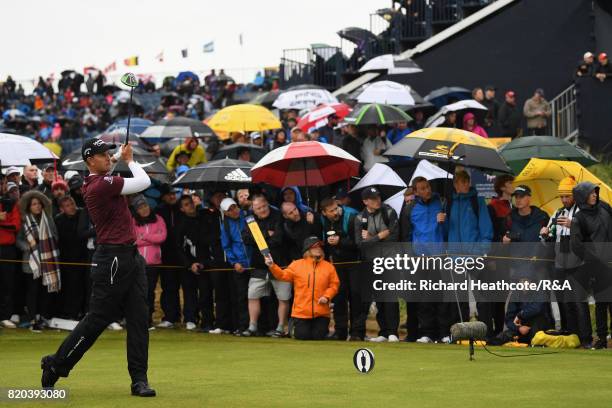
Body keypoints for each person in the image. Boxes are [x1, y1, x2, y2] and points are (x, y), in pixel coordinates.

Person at [41, 140, 156, 397]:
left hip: (131, 256)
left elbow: (110, 164)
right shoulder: (99, 184)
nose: (108, 157)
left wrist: (118, 157)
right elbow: (143, 182)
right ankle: (56, 363)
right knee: (98, 320)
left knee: (139, 320)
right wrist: (130, 160)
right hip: (112, 259)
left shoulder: (101, 178)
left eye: (109, 153)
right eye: (104, 154)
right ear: (90, 160)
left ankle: (139, 380)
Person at [540, 177, 592, 348]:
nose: (564, 200)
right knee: (563, 301)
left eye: (567, 196)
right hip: (560, 264)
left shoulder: (584, 213)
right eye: (561, 196)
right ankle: (569, 333)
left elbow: (591, 236)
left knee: (578, 301)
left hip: (579, 265)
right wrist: (545, 233)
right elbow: (547, 238)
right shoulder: (557, 213)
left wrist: (574, 226)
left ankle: (585, 339)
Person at [264, 236, 339, 340]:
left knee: (318, 337)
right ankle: (292, 328)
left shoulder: (329, 266)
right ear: (307, 250)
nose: (318, 249)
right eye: (315, 247)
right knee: (302, 336)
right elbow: (282, 275)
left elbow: (334, 285)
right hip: (301, 312)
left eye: (319, 247)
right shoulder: (296, 265)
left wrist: (327, 296)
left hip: (321, 313)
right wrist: (272, 266)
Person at [401, 177, 447, 343]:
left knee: (439, 296)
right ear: (415, 191)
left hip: (439, 256)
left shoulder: (441, 203)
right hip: (419, 257)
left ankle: (442, 333)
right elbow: (406, 235)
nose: (426, 190)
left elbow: (448, 230)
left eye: (427, 187)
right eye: (422, 188)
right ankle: (426, 333)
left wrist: (444, 220)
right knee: (424, 298)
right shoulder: (409, 209)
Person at [241, 194, 291, 337]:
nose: (262, 210)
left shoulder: (278, 216)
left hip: (280, 264)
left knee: (283, 297)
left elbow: (278, 239)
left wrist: (260, 238)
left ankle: (280, 327)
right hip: (259, 265)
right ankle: (252, 326)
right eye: (258, 208)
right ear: (253, 209)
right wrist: (266, 234)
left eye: (263, 206)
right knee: (252, 295)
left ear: (267, 204)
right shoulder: (250, 219)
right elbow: (246, 238)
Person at [355, 187, 400, 342]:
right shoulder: (360, 217)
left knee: (390, 297)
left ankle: (393, 332)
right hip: (371, 262)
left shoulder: (389, 212)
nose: (378, 200)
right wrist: (379, 236)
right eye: (373, 199)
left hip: (389, 260)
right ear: (365, 201)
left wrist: (371, 238)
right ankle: (384, 332)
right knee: (379, 297)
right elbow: (360, 244)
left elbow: (394, 237)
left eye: (378, 197)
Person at [571, 181, 612, 349]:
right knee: (602, 303)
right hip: (596, 267)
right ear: (582, 196)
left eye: (595, 192)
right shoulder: (579, 218)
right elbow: (577, 245)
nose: (595, 194)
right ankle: (602, 338)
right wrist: (595, 262)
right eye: (591, 193)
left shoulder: (605, 208)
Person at [319, 197, 365, 340]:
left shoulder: (352, 216)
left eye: (336, 208)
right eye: (331, 211)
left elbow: (359, 243)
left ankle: (357, 333)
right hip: (337, 264)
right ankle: (340, 332)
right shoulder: (322, 220)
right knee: (339, 298)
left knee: (356, 297)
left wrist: (340, 241)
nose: (335, 212)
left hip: (355, 262)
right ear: (324, 212)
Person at [16, 190, 60, 332]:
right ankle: (32, 319)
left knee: (45, 291)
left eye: (39, 204)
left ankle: (42, 317)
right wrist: (28, 247)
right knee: (32, 291)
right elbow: (19, 240)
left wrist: (46, 242)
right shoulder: (25, 221)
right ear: (29, 207)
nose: (37, 206)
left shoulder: (48, 219)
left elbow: (56, 237)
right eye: (34, 204)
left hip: (48, 261)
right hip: (31, 262)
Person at [132, 195, 167, 330]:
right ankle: (136, 320)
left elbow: (162, 237)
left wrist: (145, 237)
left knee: (149, 292)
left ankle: (148, 320)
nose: (144, 209)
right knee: (138, 293)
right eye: (140, 208)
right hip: (138, 263)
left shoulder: (158, 219)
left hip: (154, 263)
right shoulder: (133, 221)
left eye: (145, 206)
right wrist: (150, 239)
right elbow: (134, 240)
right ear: (137, 210)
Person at [219, 197, 252, 335]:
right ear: (225, 213)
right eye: (230, 210)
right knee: (241, 296)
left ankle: (258, 326)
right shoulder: (225, 225)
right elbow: (226, 246)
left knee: (259, 295)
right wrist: (234, 262)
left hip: (254, 262)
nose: (234, 211)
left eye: (235, 207)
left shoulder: (248, 217)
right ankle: (243, 326)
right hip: (240, 265)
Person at [55, 196, 88, 320]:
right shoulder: (59, 220)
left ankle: (80, 312)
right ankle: (69, 312)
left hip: (83, 256)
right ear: (62, 209)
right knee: (69, 287)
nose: (71, 207)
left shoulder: (82, 214)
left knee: (82, 287)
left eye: (72, 203)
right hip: (66, 259)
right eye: (67, 205)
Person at [154, 184, 182, 329]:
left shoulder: (181, 208)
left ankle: (188, 317)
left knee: (187, 289)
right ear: (163, 196)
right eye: (169, 194)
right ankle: (171, 317)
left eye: (174, 194)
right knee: (169, 287)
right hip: (165, 255)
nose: (172, 196)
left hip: (183, 255)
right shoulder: (158, 211)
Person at [0, 182, 21, 329]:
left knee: (7, 284)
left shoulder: (10, 204)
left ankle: (5, 316)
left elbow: (15, 226)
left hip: (7, 249)